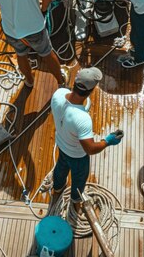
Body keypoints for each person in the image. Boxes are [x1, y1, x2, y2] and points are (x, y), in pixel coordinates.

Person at [51, 67, 123, 210]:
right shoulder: (83, 119)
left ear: (74, 83)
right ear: (91, 91)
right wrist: (107, 141)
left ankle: (57, 189)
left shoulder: (58, 94)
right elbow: (90, 148)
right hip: (77, 156)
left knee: (61, 167)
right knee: (79, 178)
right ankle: (75, 200)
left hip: (61, 145)